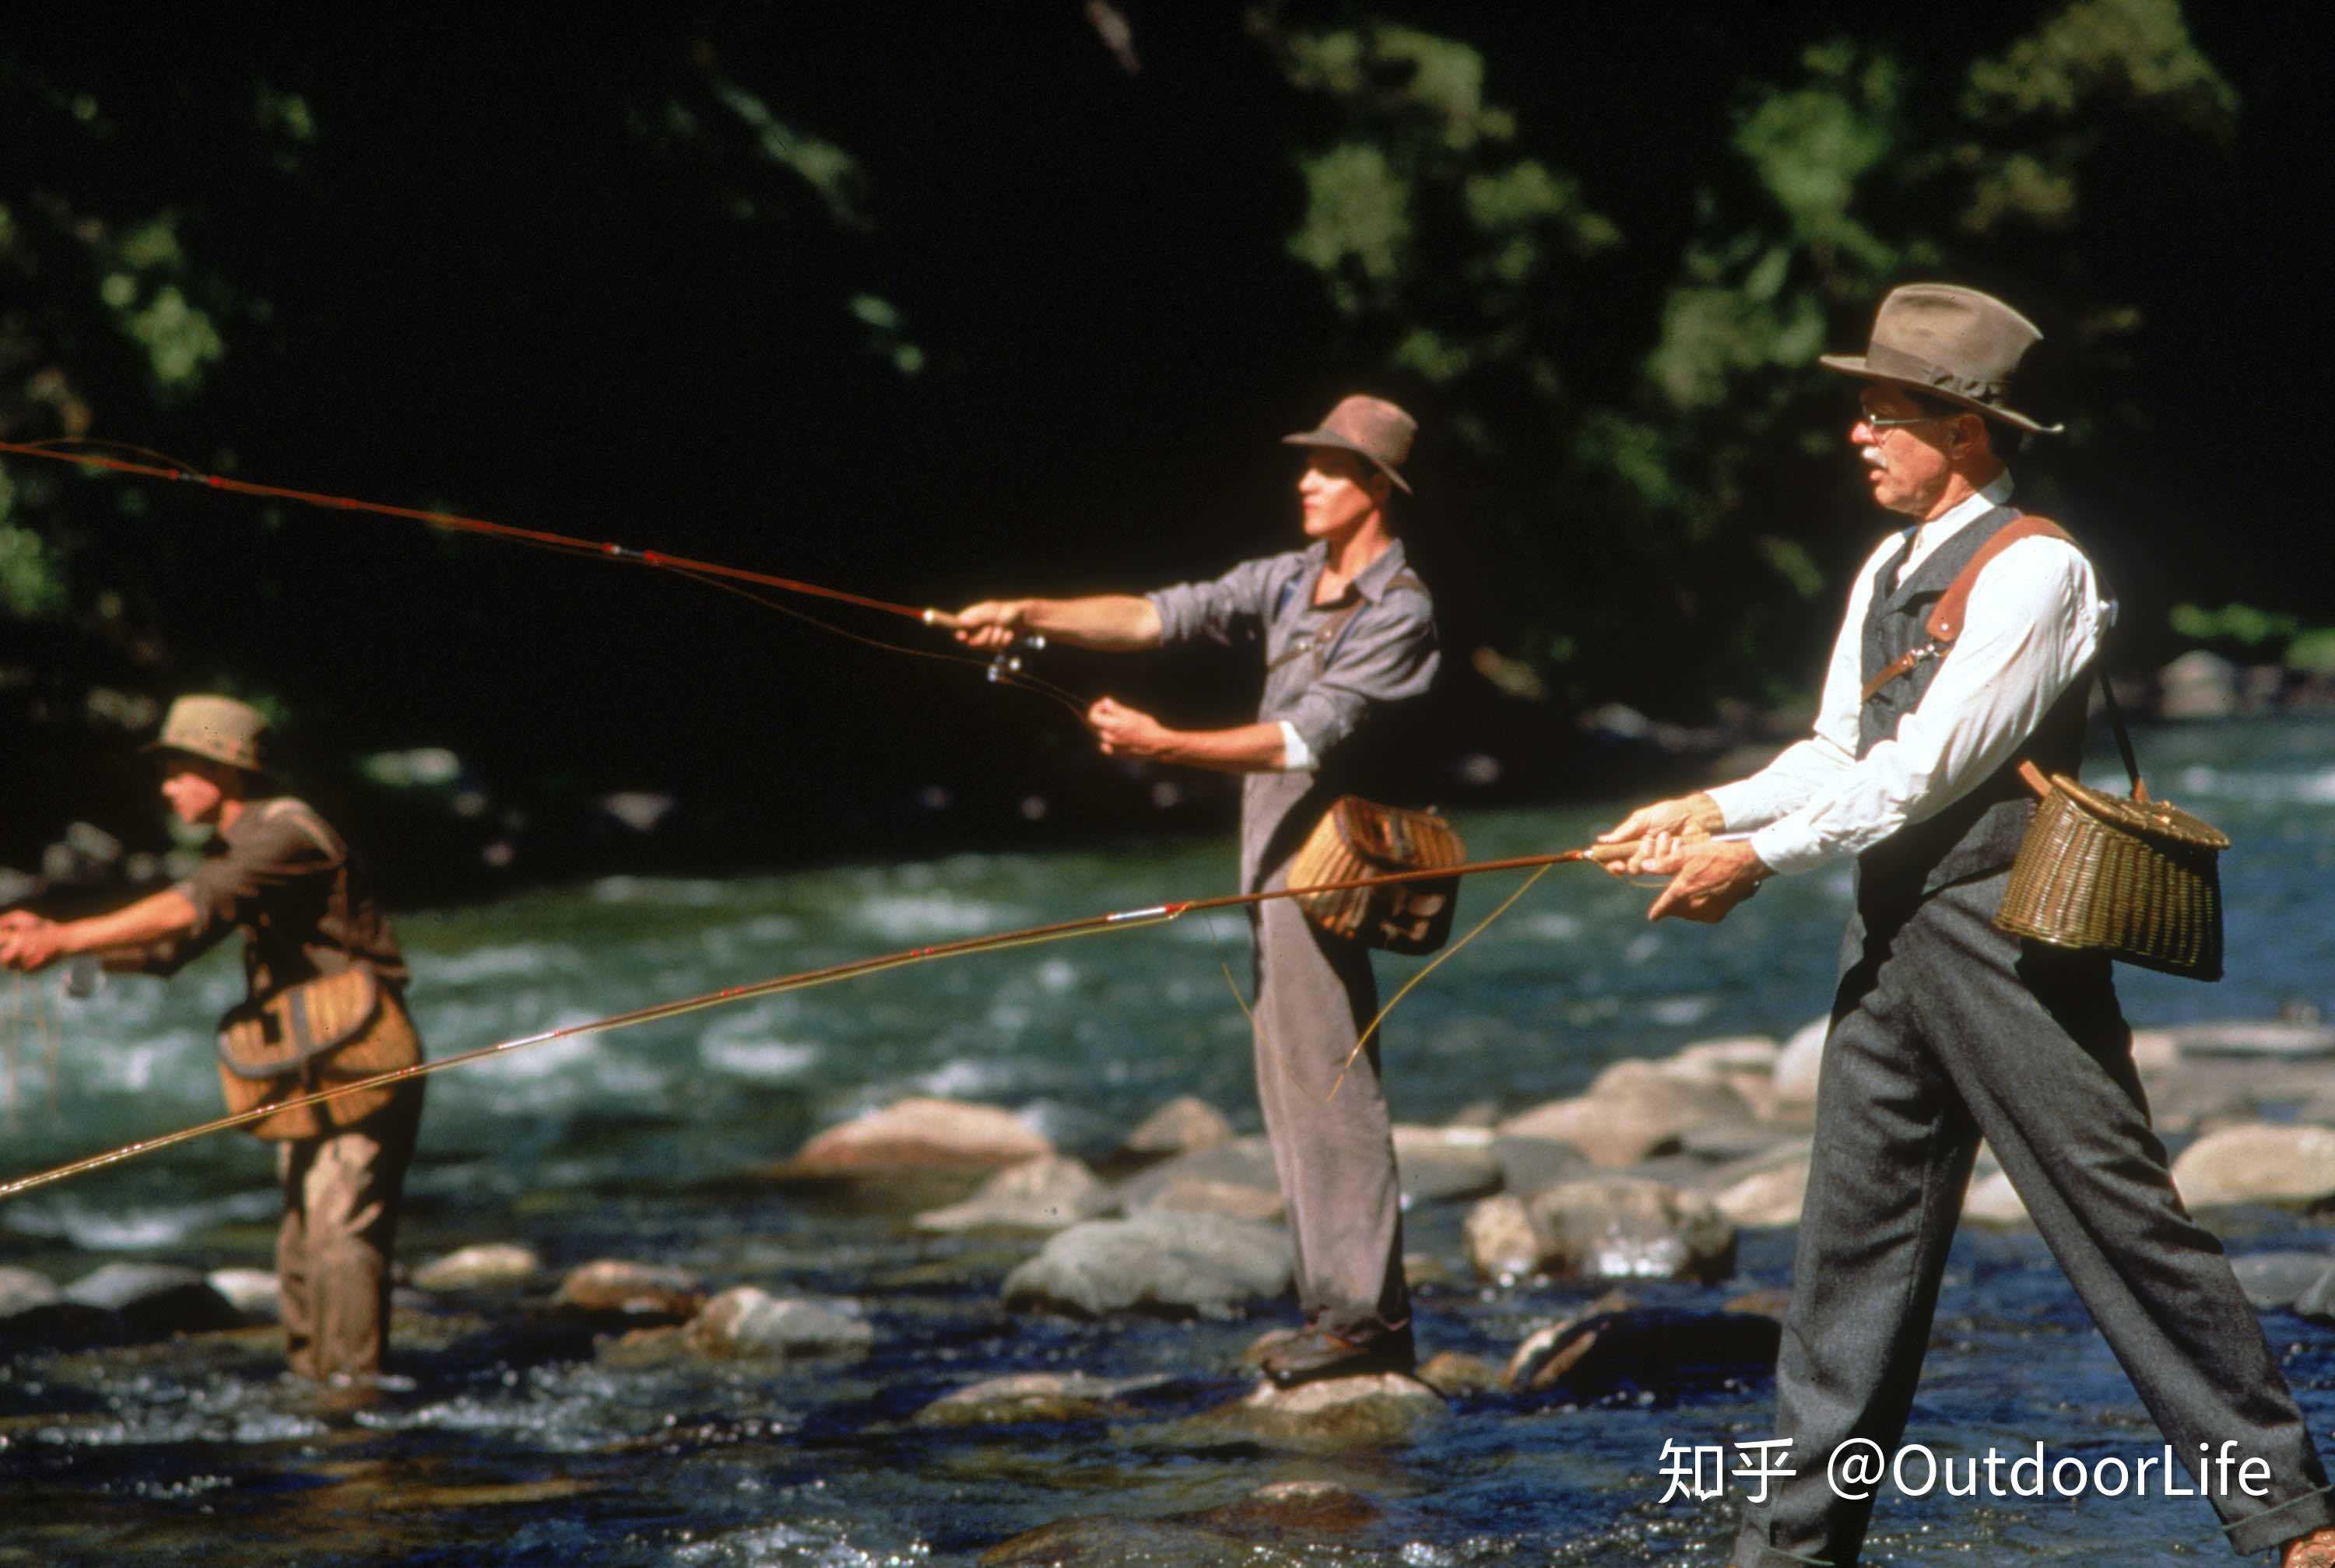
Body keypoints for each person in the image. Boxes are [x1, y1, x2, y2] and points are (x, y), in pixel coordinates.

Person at [1599, 284, 2335, 1567]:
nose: (1859, 435)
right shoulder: (1886, 565)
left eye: (1886, 414)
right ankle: (1794, 1553)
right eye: (1865, 410)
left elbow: (1923, 772)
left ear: (1968, 430)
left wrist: (1751, 859)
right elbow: (1838, 747)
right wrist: (1704, 803)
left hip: (2010, 943)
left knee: (2125, 1230)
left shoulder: (2039, 572)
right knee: (1847, 1270)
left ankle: (2290, 1522)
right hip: (1889, 942)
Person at [953, 395, 1439, 1385]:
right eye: (1305, 462)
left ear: (1377, 488)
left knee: (1330, 1082)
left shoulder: (1401, 607)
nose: (1304, 479)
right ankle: (1335, 1308)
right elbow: (1153, 614)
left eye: (1329, 467)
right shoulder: (1291, 578)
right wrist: (1029, 613)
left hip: (1334, 877)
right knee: (1290, 1082)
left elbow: (1306, 737)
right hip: (1272, 868)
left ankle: (1366, 1319)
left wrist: (1164, 745)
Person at [0, 695, 425, 1389]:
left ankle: (355, 1399)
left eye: (177, 771)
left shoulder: (287, 835)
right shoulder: (249, 845)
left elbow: (191, 904)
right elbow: (173, 946)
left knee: (340, 1232)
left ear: (224, 770)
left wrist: (64, 934)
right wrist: (55, 953)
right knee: (299, 1240)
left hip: (362, 1055)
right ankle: (311, 1383)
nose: (166, 787)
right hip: (310, 1059)